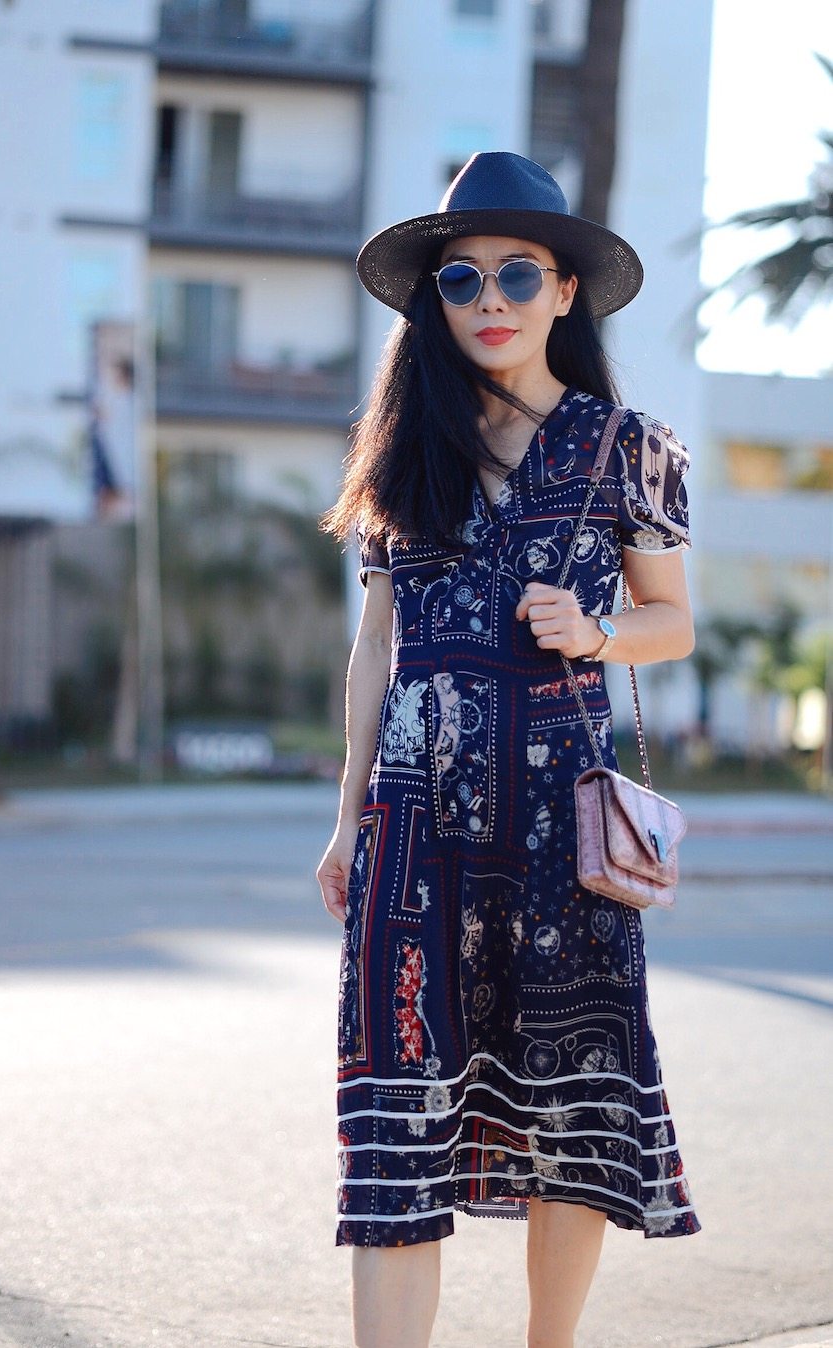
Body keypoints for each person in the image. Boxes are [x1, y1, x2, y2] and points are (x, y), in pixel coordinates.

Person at [316, 151, 699, 1348]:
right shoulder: (400, 456)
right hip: (413, 821)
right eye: (462, 277)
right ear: (434, 300)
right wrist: (344, 816)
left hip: (556, 822)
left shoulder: (628, 448)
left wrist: (593, 629)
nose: (489, 298)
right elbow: (375, 647)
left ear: (564, 294)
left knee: (571, 1115)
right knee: (393, 1119)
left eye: (518, 275)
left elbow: (676, 622)